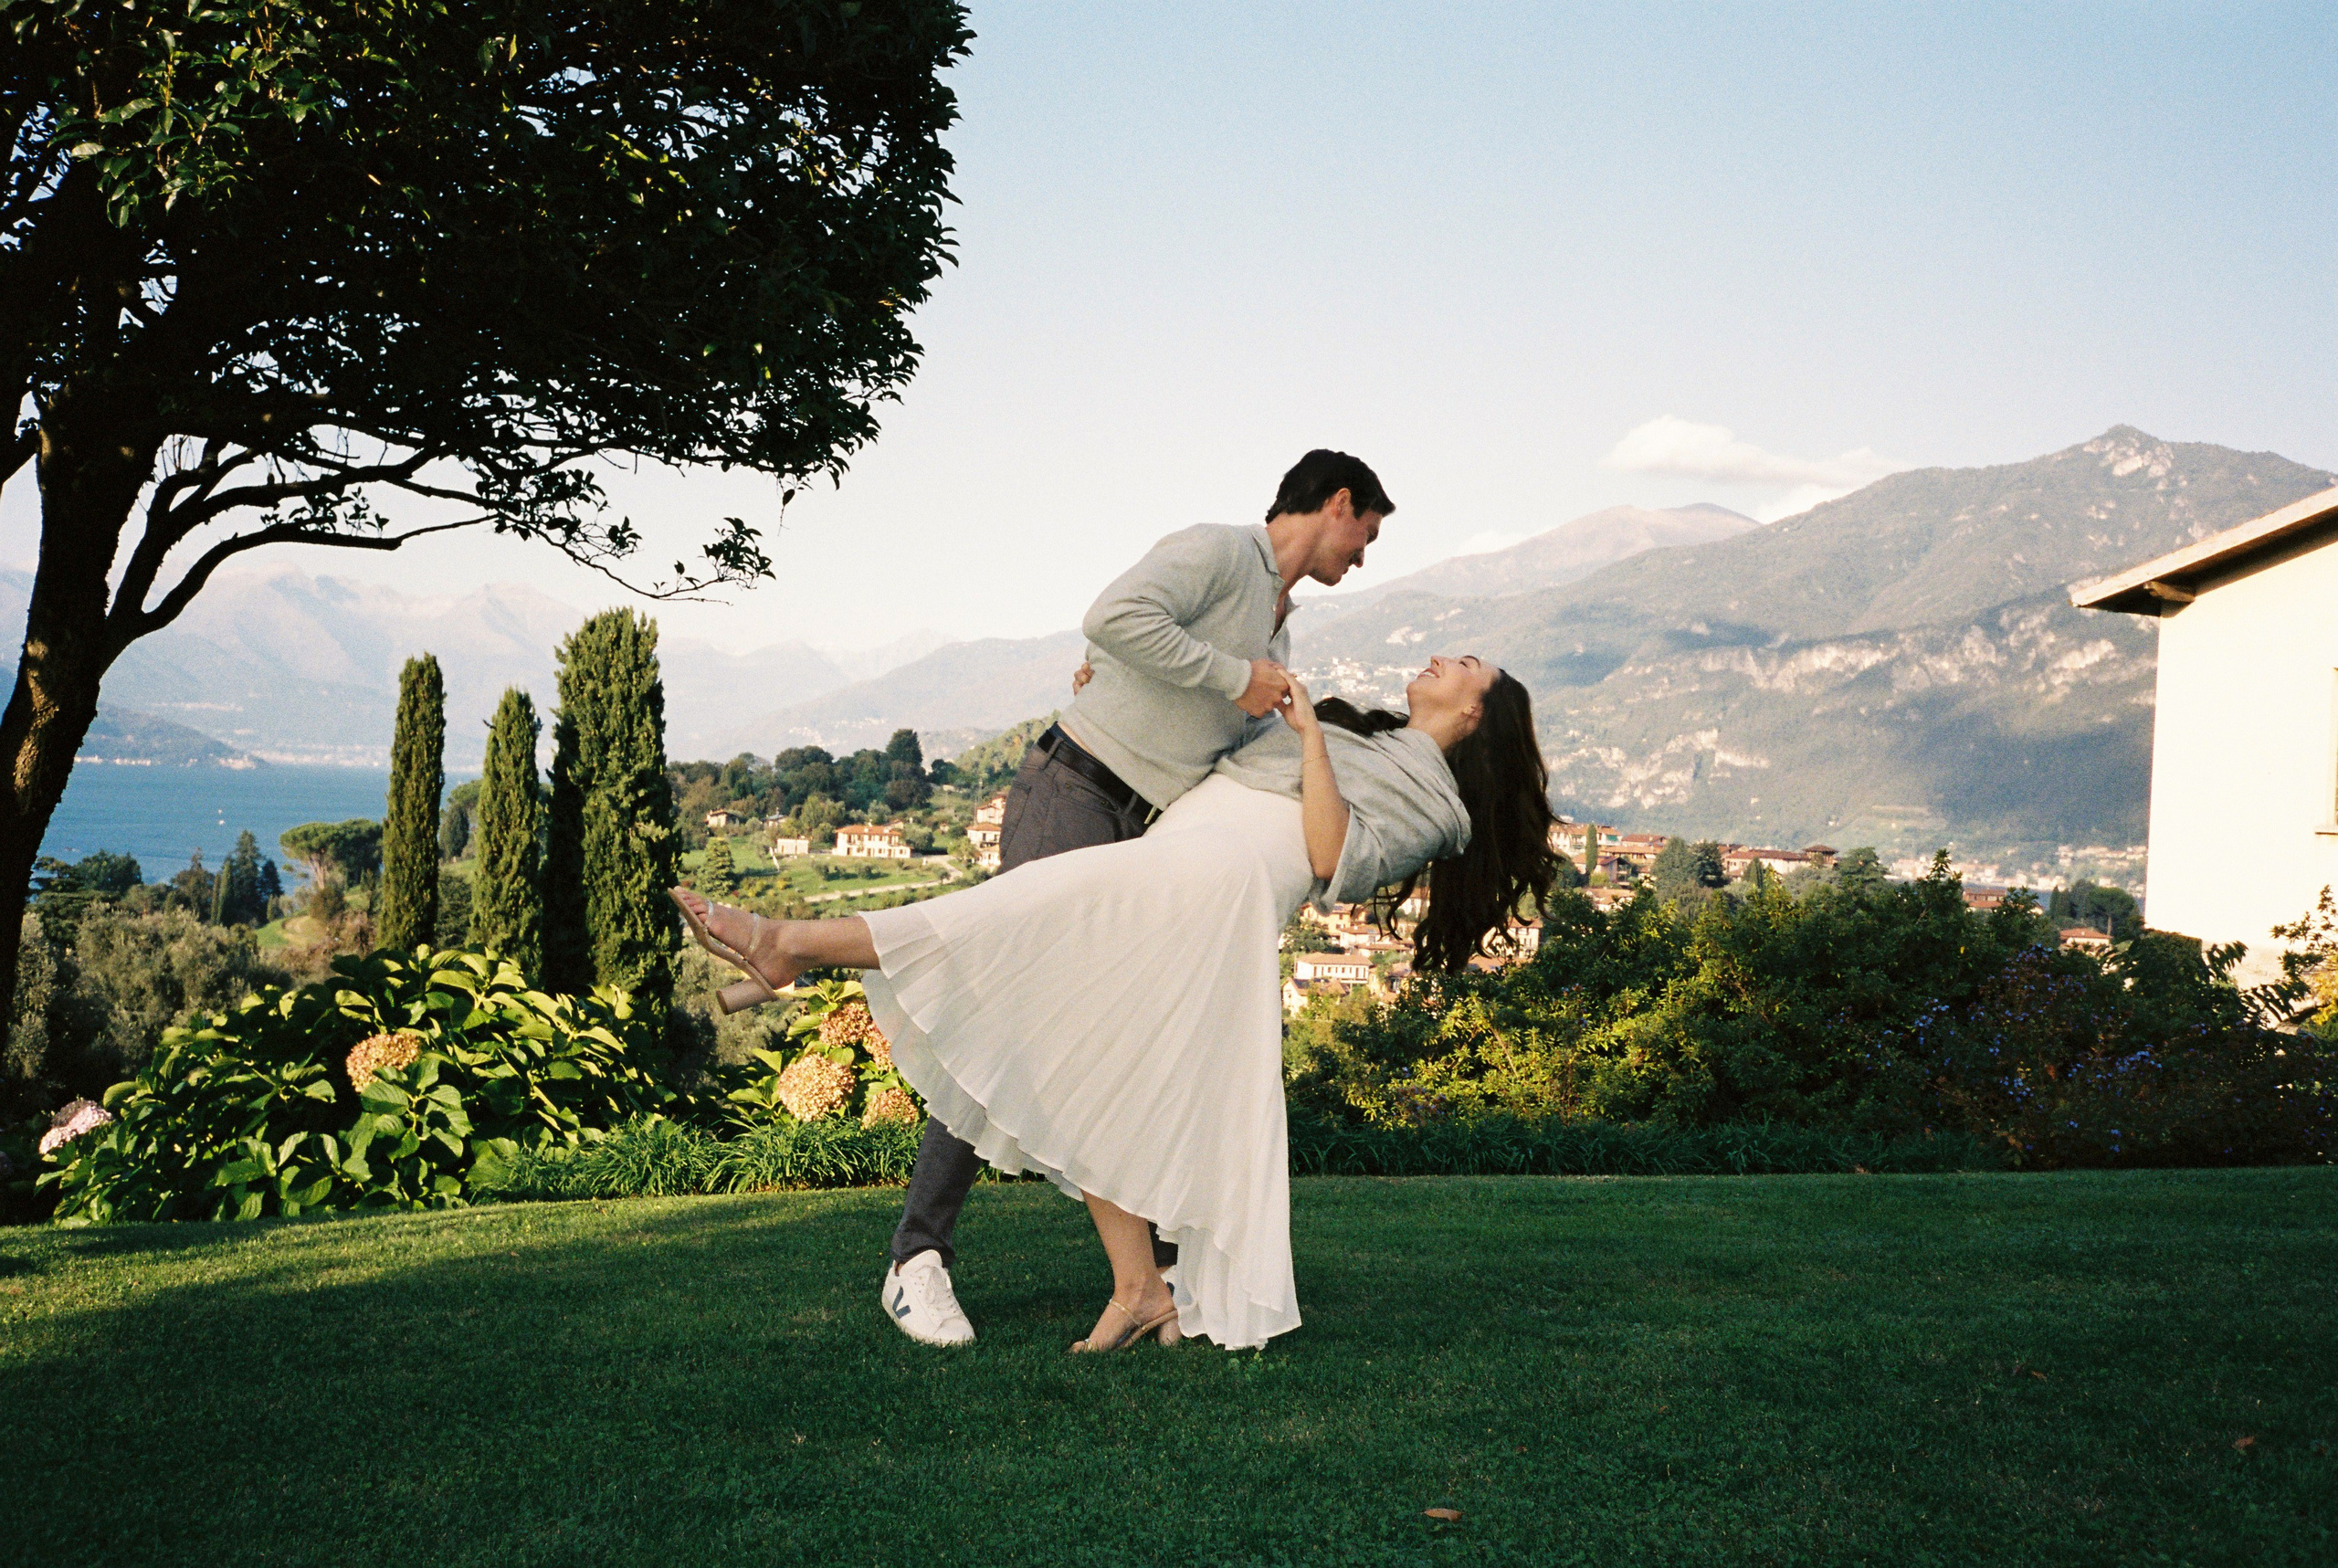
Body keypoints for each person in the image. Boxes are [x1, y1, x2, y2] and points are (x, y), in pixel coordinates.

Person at [673, 653, 1560, 1351]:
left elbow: (1333, 857)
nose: (1444, 659)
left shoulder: (1437, 807)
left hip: (1210, 891)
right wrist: (1124, 706)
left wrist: (1312, 741)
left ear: (1477, 714)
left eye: (1467, 664)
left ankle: (788, 945)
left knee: (1008, 920)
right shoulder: (1358, 729)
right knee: (1086, 1049)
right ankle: (1138, 1288)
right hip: (1177, 859)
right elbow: (1214, 750)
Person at [872, 448, 1396, 1345]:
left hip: (1147, 828)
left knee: (1128, 1033)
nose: (1364, 555)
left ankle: (1148, 1270)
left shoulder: (1278, 632)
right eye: (1367, 534)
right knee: (1001, 1011)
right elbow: (1112, 616)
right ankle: (915, 1258)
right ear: (1338, 502)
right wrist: (1227, 677)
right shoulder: (1222, 551)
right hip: (1075, 790)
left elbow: (1154, 669)